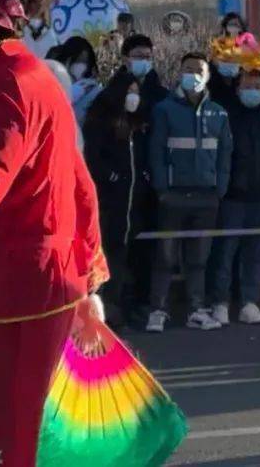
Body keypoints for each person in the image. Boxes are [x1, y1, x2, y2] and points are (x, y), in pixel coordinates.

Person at [0, 0, 108, 464]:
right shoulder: (27, 72)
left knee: (21, 438)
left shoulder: (8, 83)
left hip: (16, 288)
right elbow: (79, 185)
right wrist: (87, 276)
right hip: (40, 283)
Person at [146, 52, 233, 333]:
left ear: (207, 76)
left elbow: (225, 154)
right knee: (165, 256)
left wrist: (220, 188)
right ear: (179, 72)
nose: (193, 74)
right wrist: (161, 188)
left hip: (206, 196)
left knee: (199, 257)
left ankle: (197, 309)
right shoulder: (164, 109)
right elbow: (155, 150)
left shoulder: (218, 112)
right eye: (187, 69)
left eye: (198, 69)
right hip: (172, 194)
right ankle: (157, 309)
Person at [209, 69, 260, 326]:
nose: (252, 90)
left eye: (257, 85)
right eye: (247, 85)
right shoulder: (225, 117)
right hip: (232, 197)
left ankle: (250, 301)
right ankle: (220, 302)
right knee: (225, 251)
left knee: (257, 253)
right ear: (238, 89)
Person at [83, 71, 153, 328]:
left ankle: (119, 307)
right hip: (109, 203)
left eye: (137, 92)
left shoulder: (138, 123)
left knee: (123, 259)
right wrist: (111, 176)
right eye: (129, 91)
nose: (133, 97)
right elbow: (94, 156)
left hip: (131, 205)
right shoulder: (100, 118)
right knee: (106, 257)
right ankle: (101, 310)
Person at [50, 35, 103, 125]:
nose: (81, 65)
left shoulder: (93, 90)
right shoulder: (54, 84)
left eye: (85, 61)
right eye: (78, 60)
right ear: (67, 60)